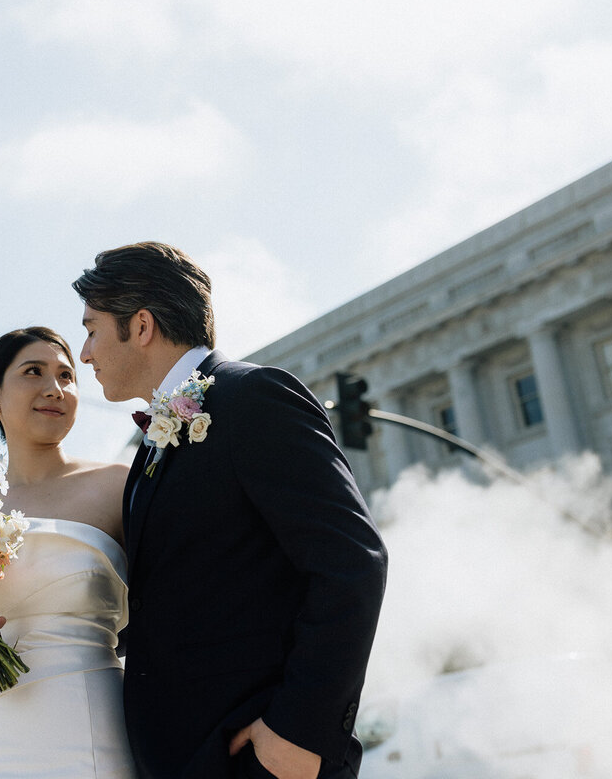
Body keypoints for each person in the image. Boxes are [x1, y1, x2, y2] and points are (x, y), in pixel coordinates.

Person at [74, 242, 388, 779]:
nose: (85, 353)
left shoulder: (254, 398)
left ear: (142, 325)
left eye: (92, 328)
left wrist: (298, 732)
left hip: (259, 757)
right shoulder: (146, 449)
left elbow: (352, 561)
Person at [0, 326, 139, 779]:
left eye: (67, 376)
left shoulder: (118, 486)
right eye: (33, 372)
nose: (55, 389)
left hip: (93, 720)